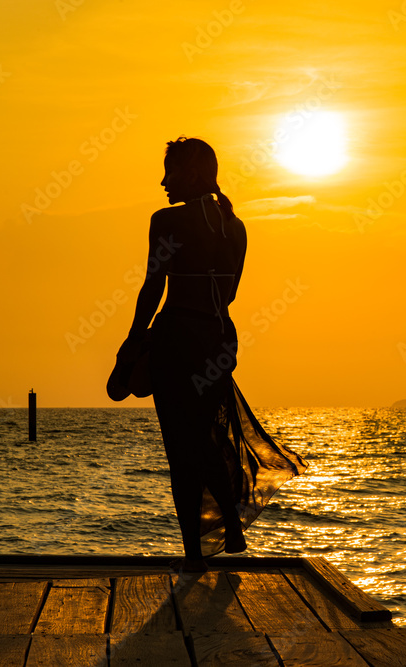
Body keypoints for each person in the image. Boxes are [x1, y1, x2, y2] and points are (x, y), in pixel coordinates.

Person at [116, 136, 307, 572]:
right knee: (204, 435)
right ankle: (233, 525)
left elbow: (153, 287)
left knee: (181, 448)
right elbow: (231, 292)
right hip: (219, 340)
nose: (163, 181)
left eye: (172, 171)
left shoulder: (166, 221)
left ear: (194, 174)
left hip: (177, 338)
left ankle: (193, 556)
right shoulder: (235, 227)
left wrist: (132, 341)